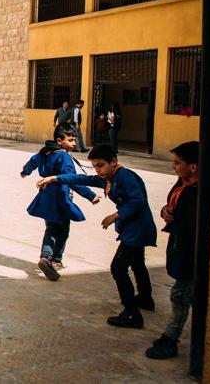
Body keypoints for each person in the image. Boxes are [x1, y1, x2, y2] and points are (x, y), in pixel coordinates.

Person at [37, 144, 157, 328]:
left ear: (114, 162)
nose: (98, 170)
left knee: (118, 268)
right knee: (137, 262)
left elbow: (138, 201)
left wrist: (115, 216)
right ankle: (145, 298)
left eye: (100, 165)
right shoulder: (108, 178)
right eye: (94, 166)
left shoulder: (124, 175)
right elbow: (82, 179)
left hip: (138, 228)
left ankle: (132, 313)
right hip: (131, 228)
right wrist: (56, 178)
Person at [20, 126, 100, 280]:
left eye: (74, 140)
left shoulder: (45, 152)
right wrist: (90, 195)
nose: (74, 143)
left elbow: (33, 161)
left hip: (46, 196)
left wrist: (25, 171)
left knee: (51, 228)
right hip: (61, 197)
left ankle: (45, 257)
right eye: (70, 140)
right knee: (63, 230)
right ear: (59, 141)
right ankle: (56, 260)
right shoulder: (64, 157)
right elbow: (72, 179)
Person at [145, 141, 199, 360]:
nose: (174, 167)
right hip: (180, 247)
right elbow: (173, 205)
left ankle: (170, 339)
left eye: (178, 163)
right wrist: (165, 210)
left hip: (190, 251)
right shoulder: (184, 184)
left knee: (180, 295)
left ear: (193, 166)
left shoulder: (199, 192)